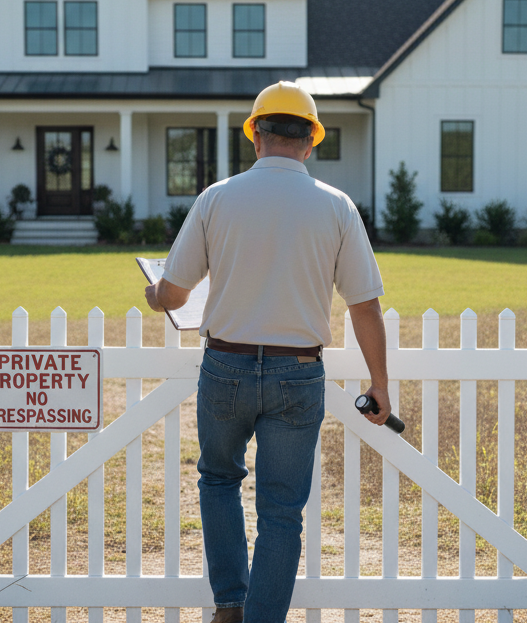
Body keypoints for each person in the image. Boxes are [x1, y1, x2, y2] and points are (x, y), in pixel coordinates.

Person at [144, 81, 390, 623]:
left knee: (219, 479)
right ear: (310, 142)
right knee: (282, 512)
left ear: (256, 136)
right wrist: (381, 385)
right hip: (298, 372)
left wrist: (154, 293)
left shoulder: (217, 198)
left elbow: (177, 291)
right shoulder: (338, 208)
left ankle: (229, 604)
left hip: (226, 365)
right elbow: (365, 306)